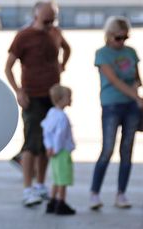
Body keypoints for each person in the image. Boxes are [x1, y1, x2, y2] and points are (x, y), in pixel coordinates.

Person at [5, 1, 71, 207]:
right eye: (46, 20)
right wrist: (18, 91)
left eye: (53, 20)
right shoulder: (24, 37)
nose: (50, 24)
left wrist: (62, 65)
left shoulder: (56, 32)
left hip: (52, 97)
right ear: (36, 16)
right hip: (32, 96)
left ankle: (41, 185)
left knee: (47, 144)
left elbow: (67, 49)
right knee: (31, 143)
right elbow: (8, 67)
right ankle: (27, 188)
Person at [89, 17, 143, 210]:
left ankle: (121, 193)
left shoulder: (131, 52)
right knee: (108, 149)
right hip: (112, 104)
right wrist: (137, 97)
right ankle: (95, 193)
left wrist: (136, 91)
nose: (122, 42)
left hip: (131, 106)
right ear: (109, 35)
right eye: (118, 38)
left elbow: (137, 78)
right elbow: (114, 80)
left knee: (127, 150)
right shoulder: (102, 54)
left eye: (125, 37)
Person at [41, 84, 76, 215]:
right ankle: (61, 202)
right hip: (61, 152)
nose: (71, 99)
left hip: (53, 151)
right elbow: (60, 135)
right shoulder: (62, 117)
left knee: (56, 178)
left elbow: (47, 132)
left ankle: (52, 201)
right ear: (61, 99)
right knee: (63, 179)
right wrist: (56, 148)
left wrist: (49, 147)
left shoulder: (51, 113)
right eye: (69, 97)